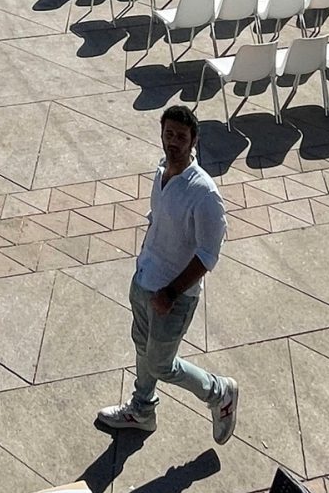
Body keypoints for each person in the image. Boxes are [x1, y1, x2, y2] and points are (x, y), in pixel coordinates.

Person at [96, 104, 238, 442]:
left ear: (194, 141)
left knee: (161, 364)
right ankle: (142, 410)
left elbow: (207, 254)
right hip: (145, 279)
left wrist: (170, 293)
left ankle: (219, 393)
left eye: (181, 137)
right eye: (168, 134)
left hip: (173, 297)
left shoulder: (204, 194)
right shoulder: (161, 172)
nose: (173, 142)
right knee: (143, 349)